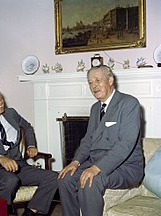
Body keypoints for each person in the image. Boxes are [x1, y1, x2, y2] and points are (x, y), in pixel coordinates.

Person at [58, 65, 144, 216]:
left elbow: (126, 144)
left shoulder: (129, 103)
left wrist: (96, 168)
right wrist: (75, 162)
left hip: (126, 167)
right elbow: (88, 139)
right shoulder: (95, 108)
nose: (93, 86)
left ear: (110, 80)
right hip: (96, 162)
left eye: (98, 80)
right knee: (65, 178)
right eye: (90, 82)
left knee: (91, 180)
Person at [0, 85, 58, 216]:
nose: (1, 102)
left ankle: (31, 212)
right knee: (10, 180)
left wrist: (30, 146)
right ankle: (4, 212)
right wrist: (0, 158)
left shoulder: (11, 114)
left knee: (53, 177)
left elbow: (27, 127)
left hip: (19, 166)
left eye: (1, 98)